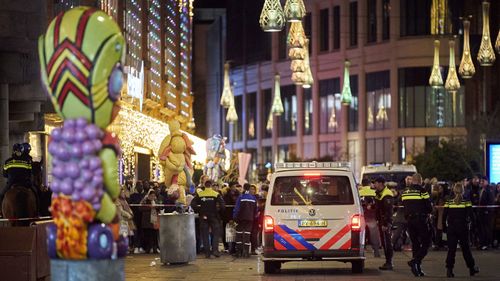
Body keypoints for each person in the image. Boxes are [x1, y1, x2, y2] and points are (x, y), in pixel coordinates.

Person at [443, 182, 480, 278]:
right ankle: (471, 268)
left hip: (451, 228)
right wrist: (474, 227)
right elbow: (472, 216)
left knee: (451, 250)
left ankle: (449, 270)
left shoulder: (449, 201)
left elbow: (444, 216)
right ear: (463, 191)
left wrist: (444, 228)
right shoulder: (466, 201)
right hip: (463, 228)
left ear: (453, 190)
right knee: (466, 249)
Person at [401, 173, 433, 277]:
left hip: (409, 221)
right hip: (420, 220)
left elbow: (404, 205)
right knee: (426, 243)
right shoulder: (422, 191)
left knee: (415, 244)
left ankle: (417, 269)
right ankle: (415, 261)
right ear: (420, 180)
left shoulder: (405, 192)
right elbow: (429, 206)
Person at [190, 180, 225, 258]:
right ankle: (215, 250)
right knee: (216, 233)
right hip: (214, 216)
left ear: (204, 185)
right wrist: (219, 212)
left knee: (205, 234)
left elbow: (193, 204)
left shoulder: (200, 194)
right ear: (211, 185)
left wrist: (199, 210)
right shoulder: (216, 194)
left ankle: (207, 253)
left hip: (203, 216)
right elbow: (223, 206)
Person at [1, 143, 37, 208]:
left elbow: (4, 174)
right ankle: (37, 211)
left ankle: (1, 211)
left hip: (11, 183)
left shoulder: (8, 161)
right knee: (36, 193)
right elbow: (30, 173)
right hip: (25, 183)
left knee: (1, 195)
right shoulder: (27, 161)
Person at [374, 176, 394, 270]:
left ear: (381, 183)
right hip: (382, 221)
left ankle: (389, 262)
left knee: (387, 242)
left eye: (376, 182)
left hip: (385, 222)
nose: (374, 184)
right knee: (384, 242)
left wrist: (385, 224)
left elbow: (388, 211)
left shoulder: (387, 194)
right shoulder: (379, 193)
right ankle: (387, 262)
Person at [233, 183, 257, 258]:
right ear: (249, 188)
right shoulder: (253, 198)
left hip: (241, 219)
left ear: (243, 188)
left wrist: (234, 217)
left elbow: (237, 209)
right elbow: (256, 210)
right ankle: (246, 252)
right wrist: (253, 216)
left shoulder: (241, 197)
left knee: (239, 234)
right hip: (250, 219)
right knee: (247, 234)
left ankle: (239, 252)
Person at [359, 179, 380, 257]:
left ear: (362, 184)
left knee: (360, 234)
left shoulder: (358, 192)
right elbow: (377, 205)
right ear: (369, 184)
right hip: (371, 216)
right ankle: (376, 251)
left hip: (361, 216)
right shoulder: (374, 193)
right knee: (374, 234)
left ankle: (361, 251)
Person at [478, 176, 495, 250]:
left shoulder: (489, 190)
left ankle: (487, 244)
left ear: (487, 182)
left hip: (487, 213)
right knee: (482, 229)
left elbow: (491, 202)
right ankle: (482, 243)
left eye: (483, 181)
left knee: (487, 229)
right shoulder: (482, 190)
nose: (481, 182)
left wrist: (487, 211)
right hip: (481, 213)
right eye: (481, 181)